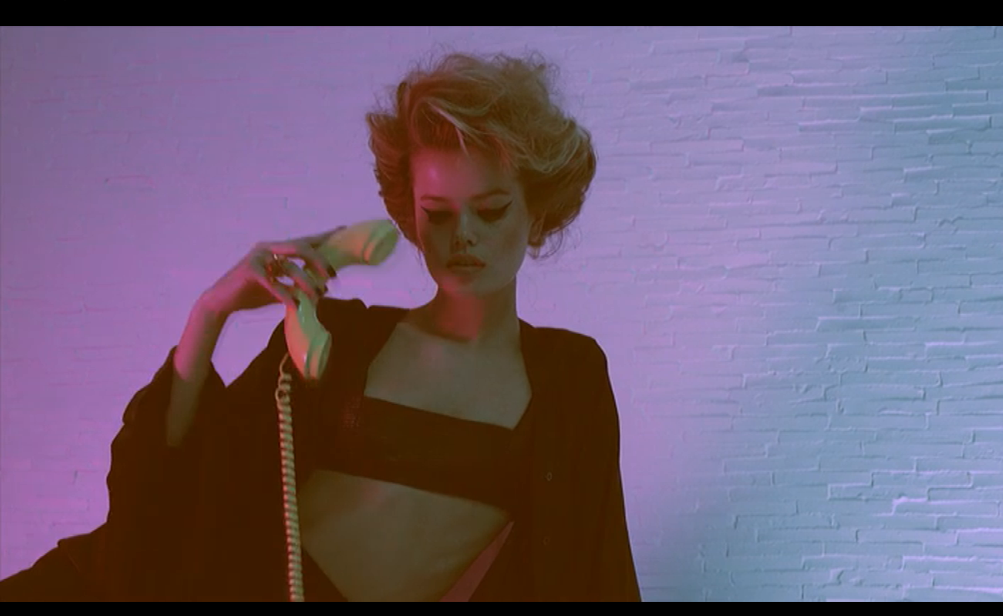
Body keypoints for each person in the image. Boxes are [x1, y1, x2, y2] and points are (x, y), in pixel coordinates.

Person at [0, 50, 639, 602]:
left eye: (491, 210)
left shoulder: (570, 376)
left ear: (537, 211)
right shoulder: (341, 337)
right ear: (411, 217)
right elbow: (179, 480)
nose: (463, 236)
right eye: (437, 214)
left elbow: (598, 564)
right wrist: (210, 312)